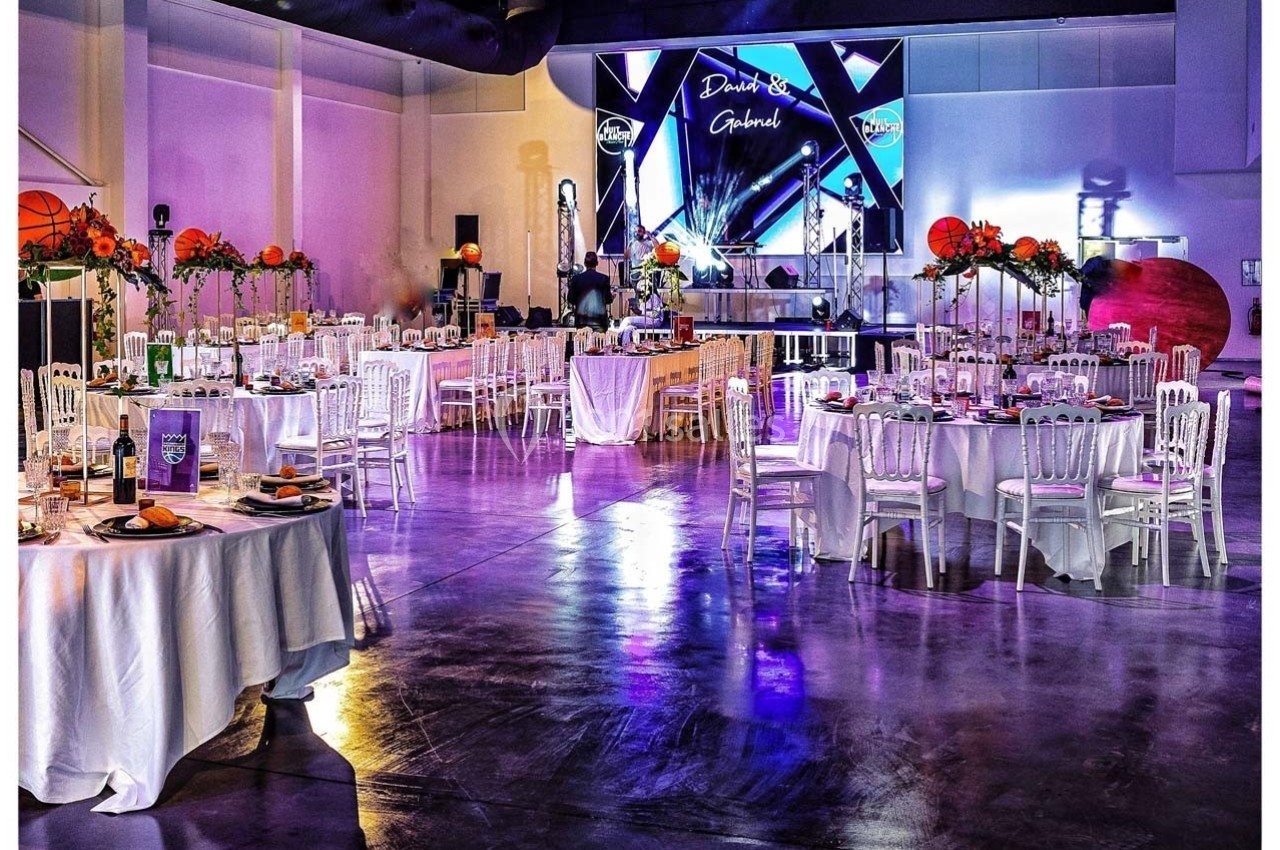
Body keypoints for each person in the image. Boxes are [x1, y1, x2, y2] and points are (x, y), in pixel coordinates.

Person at [566, 252, 613, 331]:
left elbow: (570, 299)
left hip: (581, 321)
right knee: (599, 343)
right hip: (599, 321)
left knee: (582, 343)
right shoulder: (604, 278)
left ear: (584, 263)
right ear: (597, 263)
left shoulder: (576, 279)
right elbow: (607, 299)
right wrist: (612, 297)